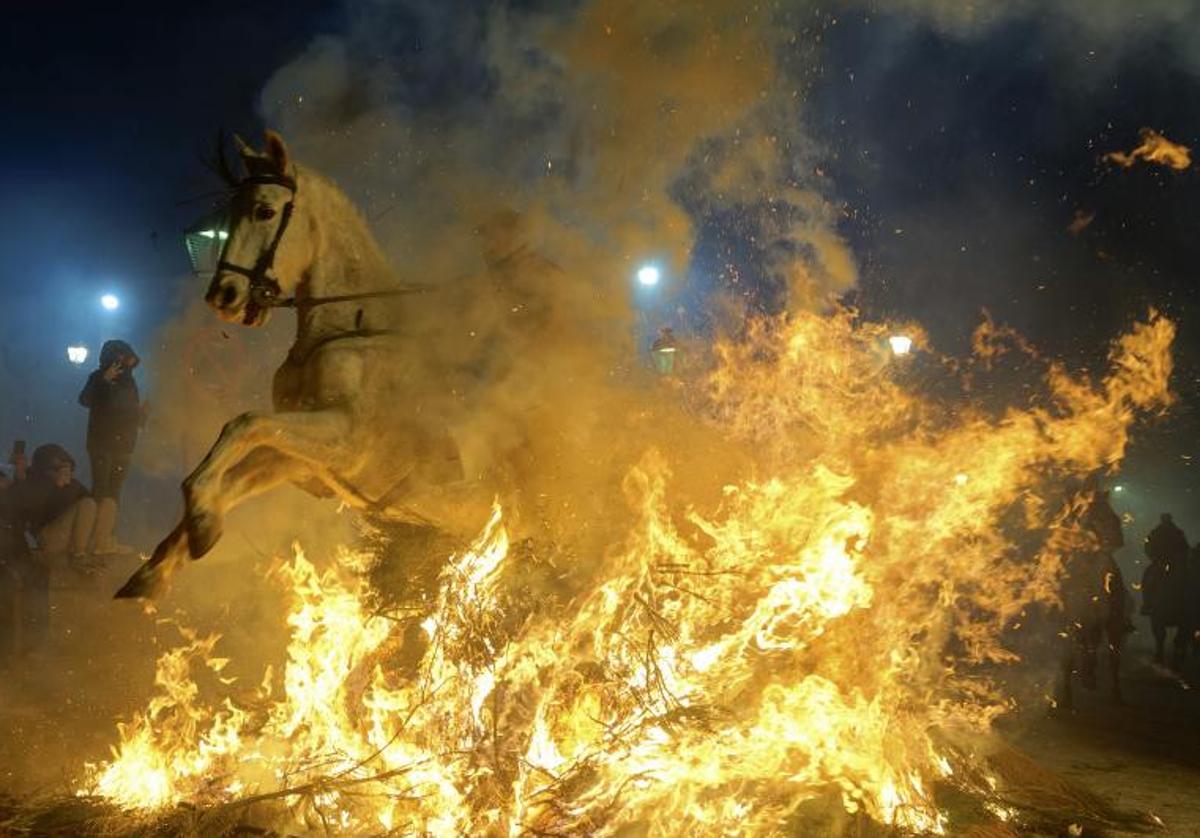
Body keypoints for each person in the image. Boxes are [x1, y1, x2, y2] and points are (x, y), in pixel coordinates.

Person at [0, 444, 96, 654]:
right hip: (10, 556)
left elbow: (17, 516)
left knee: (35, 578)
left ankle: (34, 646)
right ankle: (17, 652)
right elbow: (21, 509)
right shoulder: (32, 487)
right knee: (10, 586)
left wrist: (20, 476)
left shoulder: (35, 488)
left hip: (16, 554)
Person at [79, 339, 142, 555]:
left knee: (114, 493)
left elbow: (130, 414)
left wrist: (142, 415)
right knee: (100, 490)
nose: (125, 364)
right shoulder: (97, 377)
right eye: (122, 359)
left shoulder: (129, 383)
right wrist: (104, 381)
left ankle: (106, 540)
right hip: (102, 444)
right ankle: (91, 540)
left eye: (128, 360)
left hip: (124, 445)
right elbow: (85, 400)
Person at [1141, 512, 1192, 668]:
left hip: (1176, 563)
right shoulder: (1157, 533)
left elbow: (1185, 548)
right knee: (1149, 577)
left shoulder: (1176, 533)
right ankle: (1148, 603)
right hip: (1161, 562)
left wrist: (1179, 559)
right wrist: (1156, 559)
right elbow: (1148, 547)